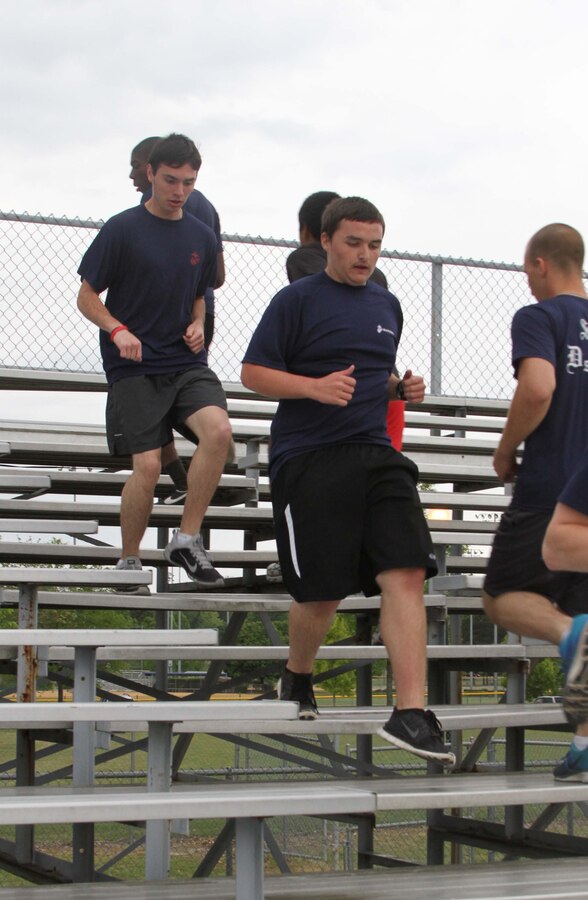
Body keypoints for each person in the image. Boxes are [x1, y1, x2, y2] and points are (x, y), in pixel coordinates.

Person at [242, 196, 454, 765]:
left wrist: (397, 389)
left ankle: (410, 713)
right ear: (328, 242)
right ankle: (298, 674)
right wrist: (312, 387)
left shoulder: (387, 302)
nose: (365, 255)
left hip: (375, 452)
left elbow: (371, 378)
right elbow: (251, 372)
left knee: (408, 570)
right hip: (309, 455)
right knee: (322, 593)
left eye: (375, 244)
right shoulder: (296, 300)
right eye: (354, 243)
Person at [78, 133, 232, 590]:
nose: (179, 190)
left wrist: (200, 322)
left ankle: (187, 539)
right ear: (151, 174)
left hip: (184, 362)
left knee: (220, 431)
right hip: (134, 366)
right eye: (170, 180)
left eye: (188, 182)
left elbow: (201, 295)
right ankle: (129, 560)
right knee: (147, 466)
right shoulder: (122, 228)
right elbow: (87, 297)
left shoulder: (201, 236)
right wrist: (117, 328)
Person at [482, 223, 588, 782]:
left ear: (543, 264)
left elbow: (539, 387)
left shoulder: (539, 318)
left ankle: (574, 637)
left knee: (502, 598)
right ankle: (585, 744)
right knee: (582, 611)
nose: (526, 281)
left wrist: (505, 448)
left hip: (553, 490)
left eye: (527, 270)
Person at [130, 136, 226, 504]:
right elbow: (219, 274)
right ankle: (187, 477)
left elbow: (212, 275)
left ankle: (196, 475)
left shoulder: (169, 209)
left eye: (136, 164)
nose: (131, 174)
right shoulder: (206, 206)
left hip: (179, 317)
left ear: (152, 167)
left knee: (163, 397)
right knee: (167, 398)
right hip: (195, 317)